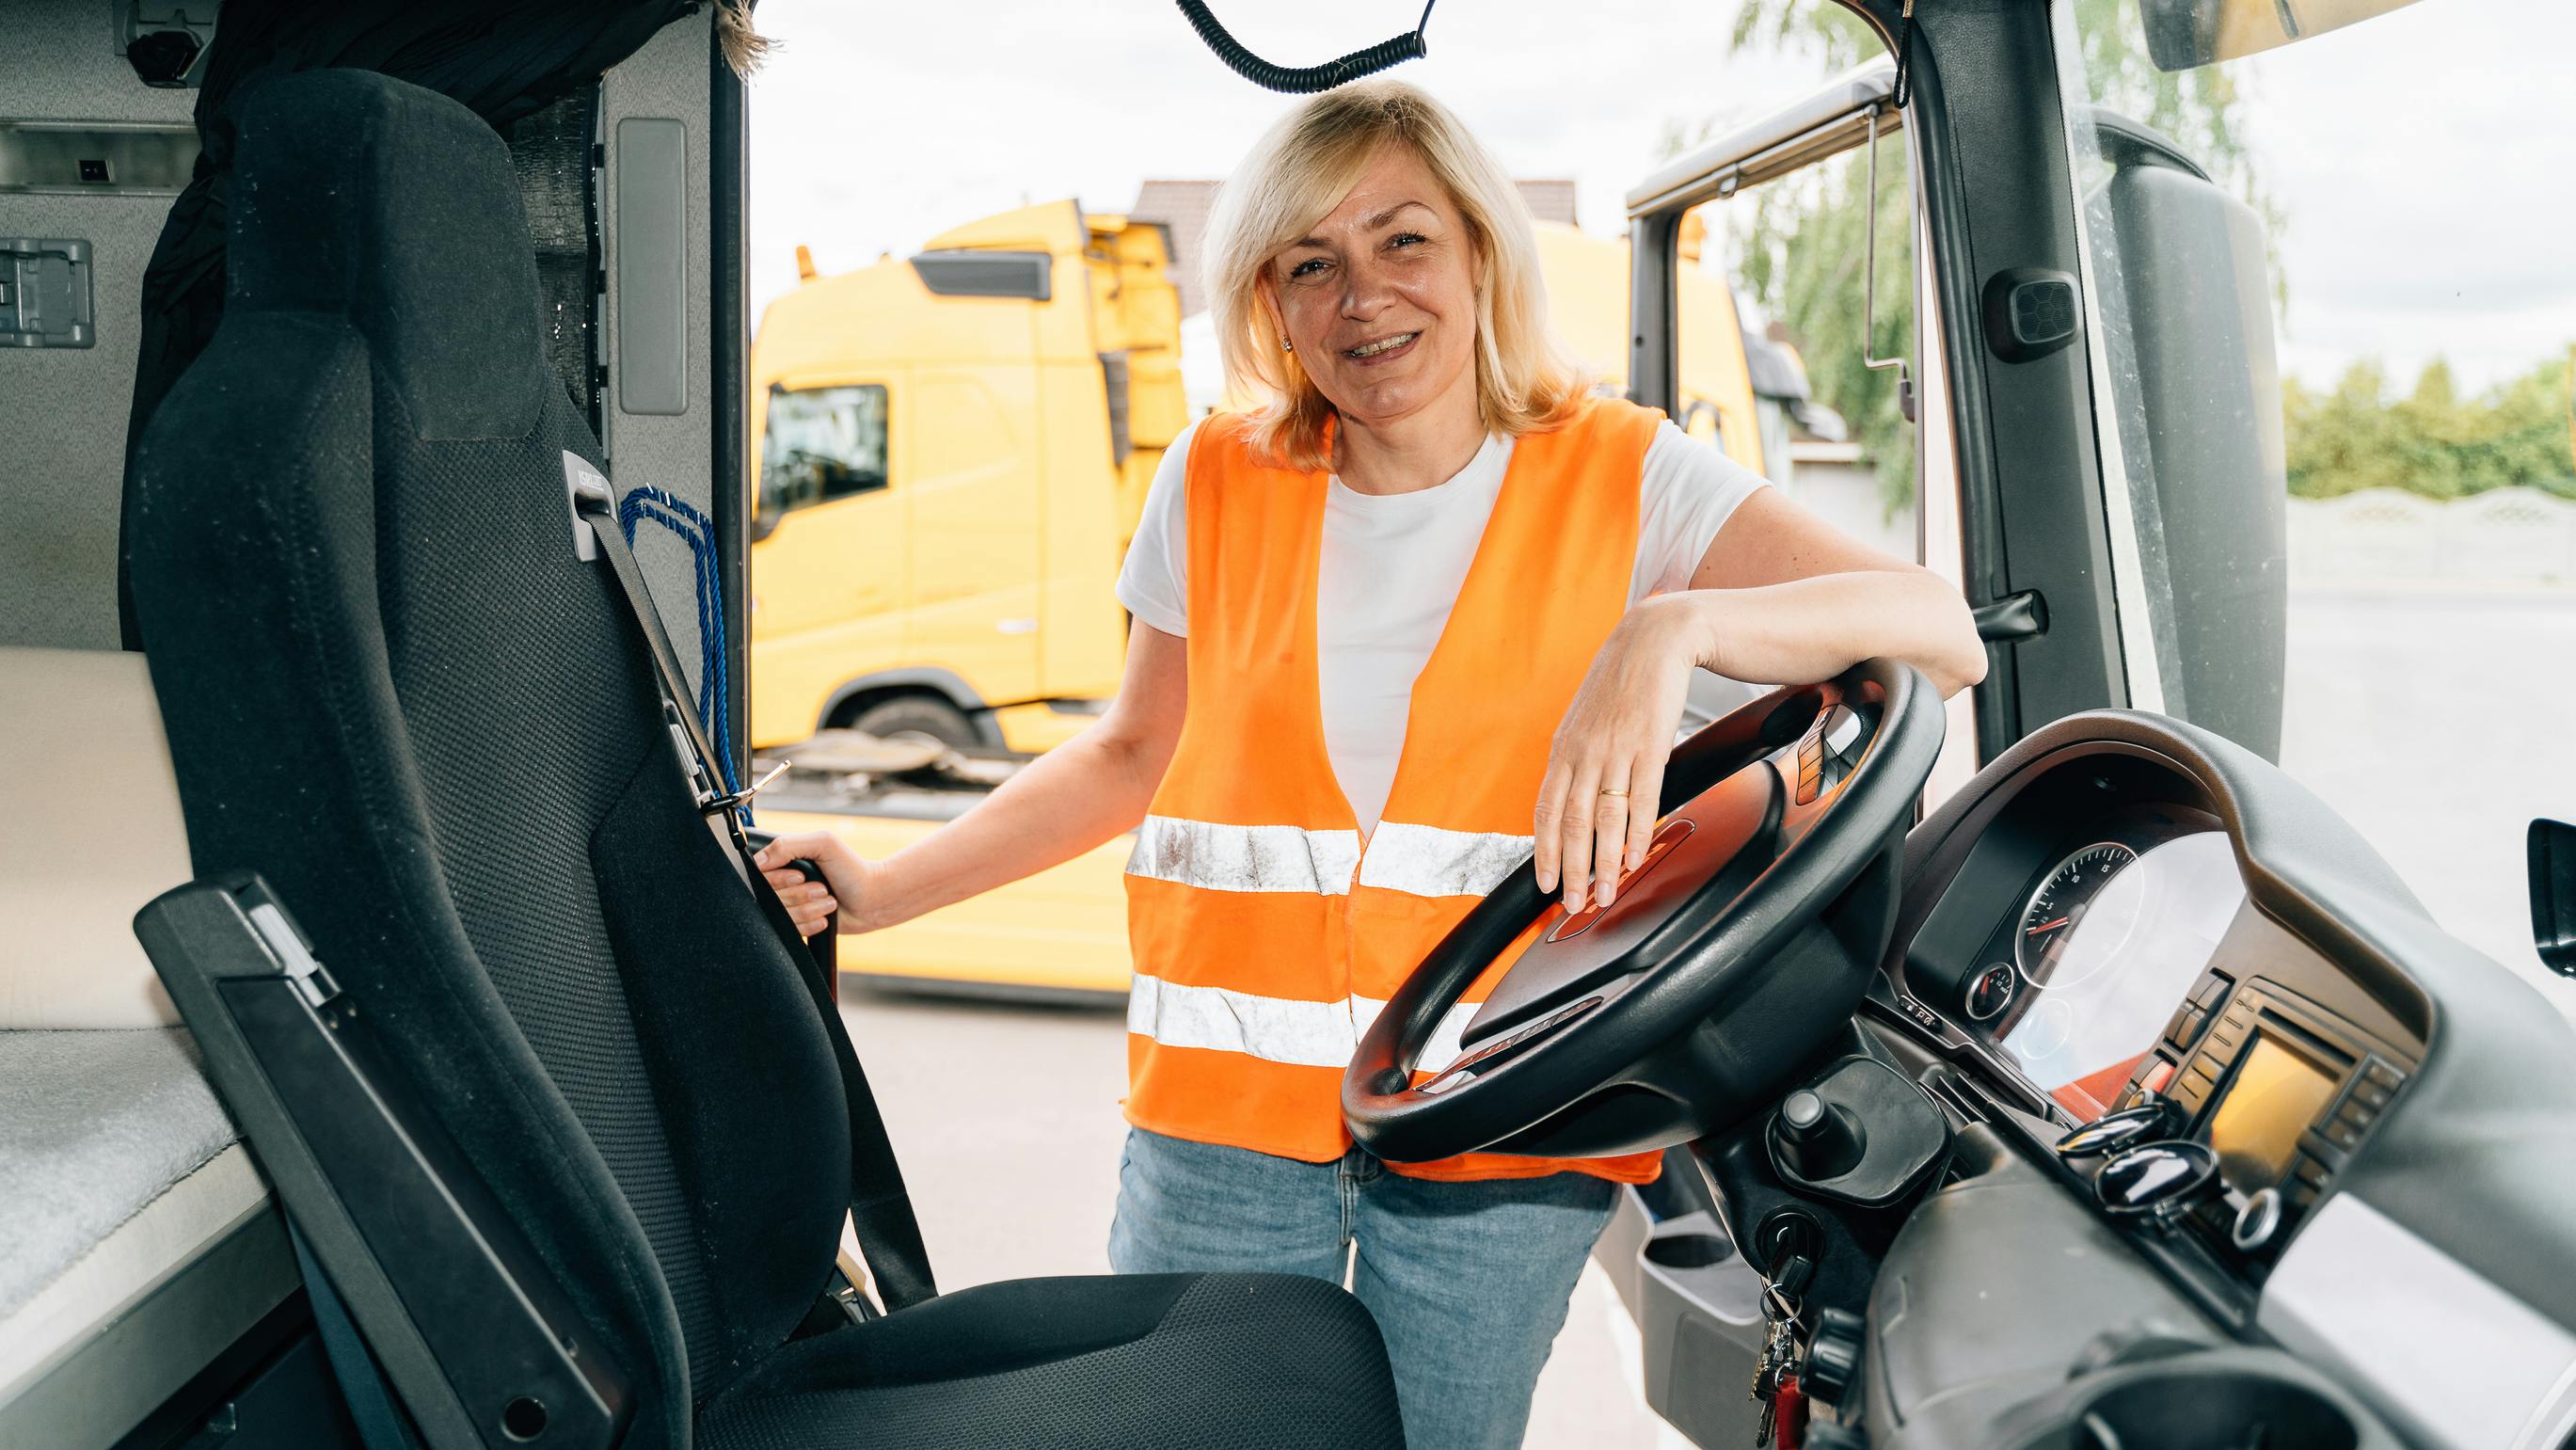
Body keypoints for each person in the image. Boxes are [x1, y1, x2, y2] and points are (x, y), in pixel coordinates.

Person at [755, 79, 1983, 1450]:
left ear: (1475, 253)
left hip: (1497, 1136)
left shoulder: (1628, 476)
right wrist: (885, 889)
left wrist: (1674, 627)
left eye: (1402, 241)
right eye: (1308, 263)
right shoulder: (1213, 477)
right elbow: (1126, 752)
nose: (1362, 298)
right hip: (1218, 1131)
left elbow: (1938, 631)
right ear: (1267, 303)